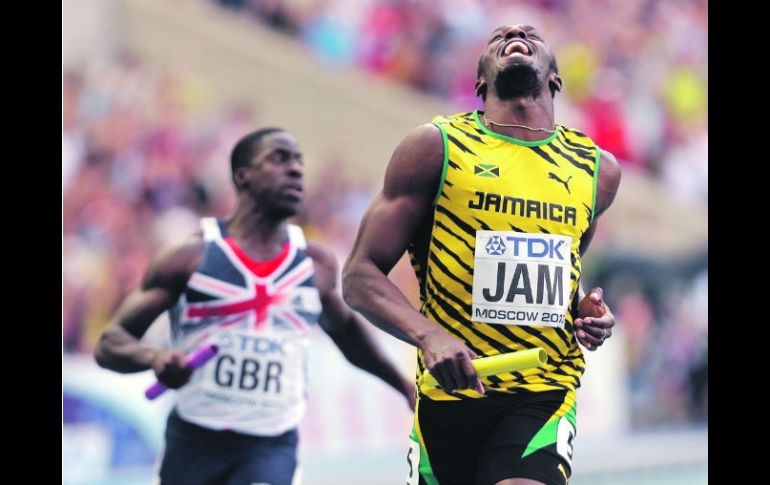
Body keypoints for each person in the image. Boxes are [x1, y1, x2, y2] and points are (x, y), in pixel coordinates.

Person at [342, 24, 621, 485]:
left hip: (542, 389)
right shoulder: (436, 148)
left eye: (532, 33)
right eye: (497, 39)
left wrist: (583, 311)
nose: (515, 31)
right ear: (480, 84)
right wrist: (429, 337)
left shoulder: (596, 170)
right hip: (450, 395)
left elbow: (559, 270)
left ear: (555, 78)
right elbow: (358, 275)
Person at [95, 127, 415, 485]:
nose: (296, 169)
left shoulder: (315, 264)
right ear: (242, 176)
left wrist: (403, 386)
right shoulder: (189, 258)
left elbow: (349, 336)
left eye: (299, 161)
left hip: (270, 447)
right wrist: (153, 359)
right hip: (194, 441)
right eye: (279, 159)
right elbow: (110, 343)